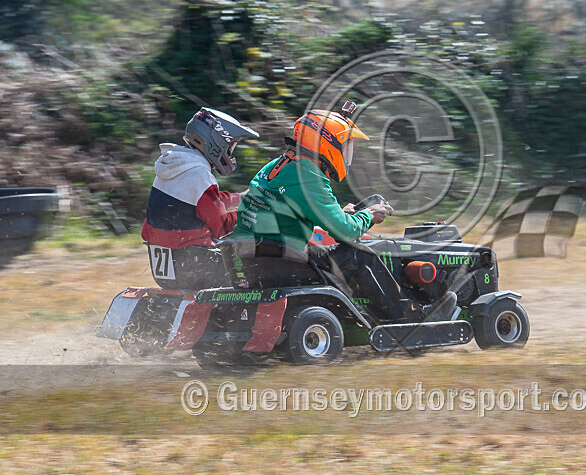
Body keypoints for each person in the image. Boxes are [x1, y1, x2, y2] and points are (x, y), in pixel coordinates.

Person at [233, 101, 455, 323]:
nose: (347, 152)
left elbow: (290, 211)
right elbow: (346, 231)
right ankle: (408, 318)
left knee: (336, 250)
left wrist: (339, 212)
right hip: (285, 264)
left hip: (259, 258)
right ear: (327, 144)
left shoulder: (276, 166)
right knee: (361, 253)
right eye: (346, 144)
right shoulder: (309, 176)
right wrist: (368, 214)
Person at [141, 107, 259, 289]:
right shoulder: (200, 175)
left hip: (166, 266)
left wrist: (240, 198)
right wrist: (250, 212)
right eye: (230, 147)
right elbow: (221, 226)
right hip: (195, 266)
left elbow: (201, 203)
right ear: (217, 143)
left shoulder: (176, 166)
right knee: (254, 255)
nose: (229, 153)